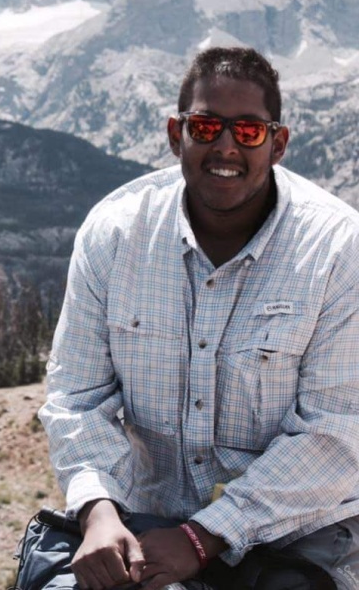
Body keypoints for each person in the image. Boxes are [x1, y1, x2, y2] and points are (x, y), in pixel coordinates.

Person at [37, 47, 359, 589]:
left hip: (299, 532)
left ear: (278, 144)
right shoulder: (114, 234)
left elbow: (336, 430)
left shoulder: (338, 249)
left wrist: (204, 537)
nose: (225, 146)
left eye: (249, 132)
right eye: (206, 126)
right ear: (175, 134)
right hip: (146, 526)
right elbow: (76, 395)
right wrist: (97, 510)